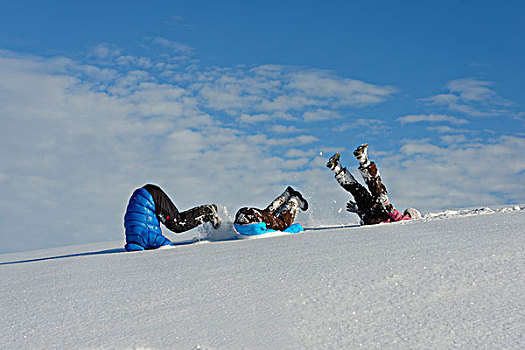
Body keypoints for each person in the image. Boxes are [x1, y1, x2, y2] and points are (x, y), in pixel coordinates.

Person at [326, 144, 421, 225]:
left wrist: (388, 207)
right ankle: (337, 169)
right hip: (370, 217)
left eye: (408, 214)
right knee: (358, 191)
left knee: (377, 187)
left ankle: (362, 160)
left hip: (379, 215)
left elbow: (398, 218)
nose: (406, 215)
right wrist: (359, 210)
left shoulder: (409, 222)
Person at [124, 184, 221, 251]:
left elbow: (166, 245)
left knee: (177, 224)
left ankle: (209, 211)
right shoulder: (132, 238)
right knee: (175, 224)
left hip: (151, 196)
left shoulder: (146, 237)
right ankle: (209, 213)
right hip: (142, 197)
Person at [234, 186, 309, 236]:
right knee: (267, 214)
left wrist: (297, 228)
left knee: (283, 224)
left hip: (248, 219)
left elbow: (278, 233)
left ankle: (294, 200)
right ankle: (286, 195)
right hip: (246, 212)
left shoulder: (255, 231)